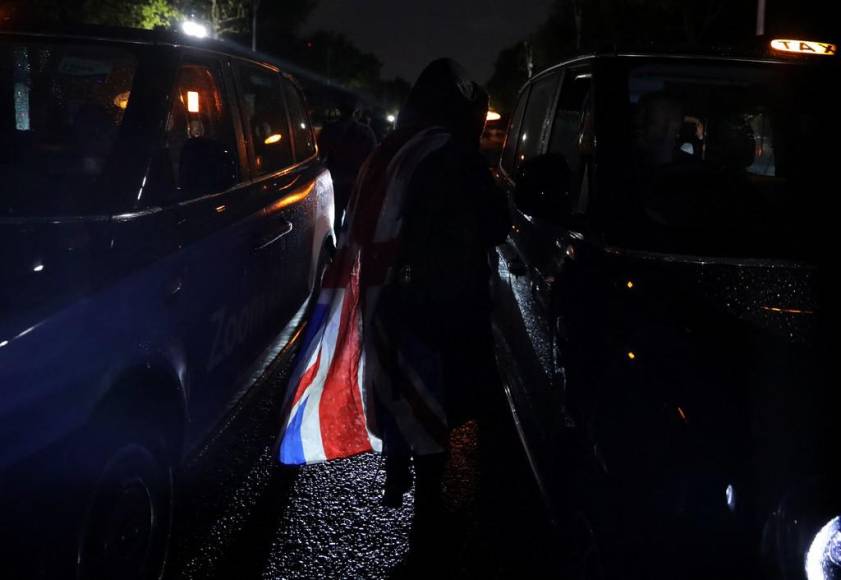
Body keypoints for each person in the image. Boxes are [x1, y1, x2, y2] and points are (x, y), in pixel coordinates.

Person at [344, 58, 509, 569]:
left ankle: (403, 474)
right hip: (445, 302)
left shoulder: (391, 149)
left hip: (389, 297)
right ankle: (432, 526)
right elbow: (496, 224)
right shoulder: (452, 154)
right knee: (449, 403)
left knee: (408, 393)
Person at [317, 96, 378, 225]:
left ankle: (335, 241)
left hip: (334, 181)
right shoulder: (366, 132)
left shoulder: (330, 129)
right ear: (356, 113)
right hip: (355, 182)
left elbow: (320, 155)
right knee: (353, 219)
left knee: (335, 217)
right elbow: (373, 159)